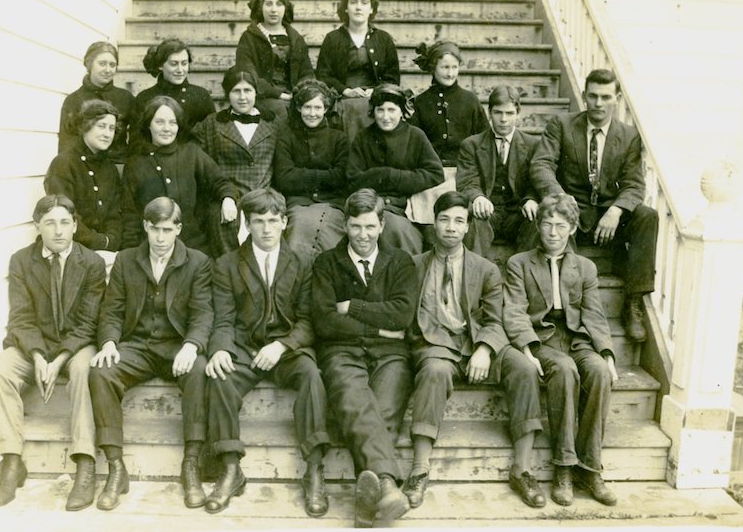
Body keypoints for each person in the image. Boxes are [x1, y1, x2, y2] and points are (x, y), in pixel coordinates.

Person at [403, 191, 544, 509]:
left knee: (523, 367)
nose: (451, 227)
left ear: (468, 227)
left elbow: (495, 319)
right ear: (433, 224)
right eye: (444, 220)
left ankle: (522, 469)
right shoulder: (413, 266)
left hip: (477, 341)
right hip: (437, 344)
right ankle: (419, 469)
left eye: (459, 221)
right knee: (434, 371)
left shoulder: (487, 269)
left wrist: (484, 348)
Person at [204, 188, 331, 517]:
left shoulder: (303, 263)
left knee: (312, 376)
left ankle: (314, 470)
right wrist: (219, 350)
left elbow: (307, 321)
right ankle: (231, 469)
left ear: (285, 222)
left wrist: (282, 345)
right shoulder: (227, 264)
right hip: (244, 347)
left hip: (285, 348)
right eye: (258, 221)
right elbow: (222, 319)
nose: (266, 228)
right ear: (247, 225)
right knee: (219, 376)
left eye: (273, 221)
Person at [89, 197, 213, 511]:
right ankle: (116, 468)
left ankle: (191, 464)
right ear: (145, 226)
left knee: (199, 369)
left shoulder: (198, 262)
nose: (160, 238)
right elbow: (112, 311)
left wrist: (192, 344)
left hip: (177, 348)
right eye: (155, 229)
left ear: (179, 229)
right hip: (138, 346)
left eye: (167, 230)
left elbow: (202, 314)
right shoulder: (126, 260)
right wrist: (109, 343)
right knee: (101, 371)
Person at [0, 195, 105, 511]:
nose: (58, 231)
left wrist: (60, 359)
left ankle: (84, 461)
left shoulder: (91, 262)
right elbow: (21, 318)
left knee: (84, 370)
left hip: (75, 345)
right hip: (34, 345)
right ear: (38, 226)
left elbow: (89, 322)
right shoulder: (22, 260)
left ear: (76, 225)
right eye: (50, 223)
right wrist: (38, 357)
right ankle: (12, 459)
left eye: (65, 222)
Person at [503, 193, 618, 507]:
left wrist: (607, 354)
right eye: (547, 224)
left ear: (572, 228)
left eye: (561, 225)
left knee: (597, 372)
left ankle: (590, 468)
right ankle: (564, 468)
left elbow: (594, 313)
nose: (553, 232)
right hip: (543, 339)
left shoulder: (585, 267)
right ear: (538, 226)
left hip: (576, 338)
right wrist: (527, 348)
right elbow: (514, 310)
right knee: (565, 370)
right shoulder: (519, 263)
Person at [311, 188, 416, 528]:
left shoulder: (400, 261)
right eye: (356, 226)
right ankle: (386, 486)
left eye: (370, 226)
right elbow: (326, 321)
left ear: (383, 224)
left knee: (382, 412)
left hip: (391, 355)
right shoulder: (326, 262)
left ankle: (368, 501)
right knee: (356, 401)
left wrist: (352, 307)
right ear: (345, 224)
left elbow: (402, 315)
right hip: (341, 352)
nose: (363, 235)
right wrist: (377, 329)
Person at [528, 69, 658, 342]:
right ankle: (566, 308)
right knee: (556, 225)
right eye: (593, 96)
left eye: (606, 97)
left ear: (617, 99)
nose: (599, 103)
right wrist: (560, 198)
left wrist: (616, 210)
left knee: (647, 217)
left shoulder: (629, 136)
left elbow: (635, 184)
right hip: (572, 209)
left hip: (606, 216)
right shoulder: (562, 125)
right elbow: (541, 164)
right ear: (585, 96)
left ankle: (633, 303)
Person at [121, 96, 237, 257]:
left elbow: (220, 182)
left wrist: (228, 198)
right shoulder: (135, 164)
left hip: (194, 248)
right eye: (160, 122)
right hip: (153, 250)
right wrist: (131, 254)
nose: (167, 128)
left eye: (172, 122)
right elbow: (130, 214)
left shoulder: (192, 153)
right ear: (148, 124)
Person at [347, 83, 444, 255]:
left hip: (407, 209)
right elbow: (352, 179)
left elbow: (435, 174)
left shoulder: (415, 135)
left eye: (391, 110)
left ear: (402, 111)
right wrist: (382, 175)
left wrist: (394, 177)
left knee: (401, 232)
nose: (386, 117)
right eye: (380, 110)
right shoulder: (364, 137)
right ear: (373, 111)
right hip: (370, 206)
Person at [193, 68, 278, 253]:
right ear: (227, 94)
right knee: (221, 223)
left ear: (256, 92)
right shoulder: (212, 124)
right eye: (236, 91)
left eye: (247, 91)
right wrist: (225, 196)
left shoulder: (273, 123)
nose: (242, 97)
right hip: (226, 196)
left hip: (264, 194)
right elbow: (202, 165)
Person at [456, 84, 540, 259]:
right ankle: (475, 275)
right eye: (498, 113)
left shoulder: (533, 145)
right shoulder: (471, 144)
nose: (503, 119)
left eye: (509, 113)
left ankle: (523, 276)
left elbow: (537, 179)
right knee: (474, 219)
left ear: (518, 113)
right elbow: (467, 180)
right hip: (488, 213)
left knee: (537, 220)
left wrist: (531, 199)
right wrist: (478, 197)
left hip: (518, 213)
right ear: (489, 113)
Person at [273, 79, 349, 259]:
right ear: (299, 108)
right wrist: (326, 176)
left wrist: (300, 175)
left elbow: (341, 176)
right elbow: (284, 178)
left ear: (326, 109)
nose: (312, 113)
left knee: (332, 238)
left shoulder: (339, 139)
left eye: (317, 108)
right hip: (298, 203)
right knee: (299, 228)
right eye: (307, 107)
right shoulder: (287, 138)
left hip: (333, 203)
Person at [316, 0, 400, 142]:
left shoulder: (383, 39)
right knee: (355, 107)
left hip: (375, 95)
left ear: (372, 9)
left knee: (371, 107)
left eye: (364, 3)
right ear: (346, 8)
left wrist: (376, 91)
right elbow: (323, 75)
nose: (358, 7)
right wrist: (345, 90)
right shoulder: (333, 38)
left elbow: (392, 76)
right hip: (343, 97)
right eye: (353, 2)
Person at [45, 99, 123, 267]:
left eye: (111, 128)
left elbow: (114, 215)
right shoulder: (64, 164)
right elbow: (65, 216)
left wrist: (111, 241)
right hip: (70, 252)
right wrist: (99, 242)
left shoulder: (109, 169)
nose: (107, 134)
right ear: (85, 126)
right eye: (101, 126)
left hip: (106, 252)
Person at [235, 0, 315, 122]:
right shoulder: (249, 38)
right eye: (268, 4)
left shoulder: (295, 38)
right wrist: (277, 94)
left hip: (293, 96)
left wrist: (300, 93)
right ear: (260, 7)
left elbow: (306, 72)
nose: (273, 9)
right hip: (264, 97)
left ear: (285, 8)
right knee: (282, 111)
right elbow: (249, 75)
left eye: (279, 4)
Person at [409, 41, 488, 167]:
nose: (450, 74)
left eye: (454, 67)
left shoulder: (470, 100)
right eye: (445, 67)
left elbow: (484, 138)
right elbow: (414, 143)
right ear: (433, 67)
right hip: (431, 169)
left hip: (466, 168)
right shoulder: (421, 102)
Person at [58, 41, 134, 165]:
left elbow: (137, 139)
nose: (108, 70)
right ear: (89, 64)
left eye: (112, 65)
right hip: (84, 166)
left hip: (118, 164)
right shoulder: (74, 100)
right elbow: (66, 144)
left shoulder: (125, 98)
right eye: (102, 64)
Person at [131, 38, 216, 148]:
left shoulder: (200, 96)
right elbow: (136, 142)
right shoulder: (145, 98)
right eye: (174, 64)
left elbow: (212, 137)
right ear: (160, 65)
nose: (180, 70)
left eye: (184, 63)